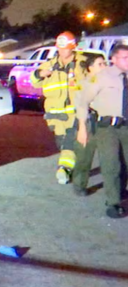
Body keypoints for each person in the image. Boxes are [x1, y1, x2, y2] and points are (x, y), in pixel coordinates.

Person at [76, 43, 128, 218]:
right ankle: (112, 202)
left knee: (125, 164)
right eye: (125, 58)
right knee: (111, 164)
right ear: (113, 59)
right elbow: (83, 102)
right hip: (107, 127)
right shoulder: (101, 77)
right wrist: (82, 127)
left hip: (126, 126)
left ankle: (120, 191)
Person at [30, 31, 88, 184]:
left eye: (66, 48)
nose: (63, 52)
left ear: (73, 47)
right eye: (60, 48)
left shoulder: (82, 63)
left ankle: (63, 169)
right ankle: (69, 168)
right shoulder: (49, 64)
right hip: (55, 115)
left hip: (75, 112)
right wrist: (39, 73)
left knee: (70, 141)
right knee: (62, 143)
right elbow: (34, 81)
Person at [72, 53, 108, 196]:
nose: (105, 66)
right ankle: (80, 185)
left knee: (110, 158)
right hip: (88, 123)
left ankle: (115, 187)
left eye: (105, 63)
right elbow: (81, 106)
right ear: (90, 68)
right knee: (84, 157)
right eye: (100, 64)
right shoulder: (83, 84)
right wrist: (82, 129)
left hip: (106, 125)